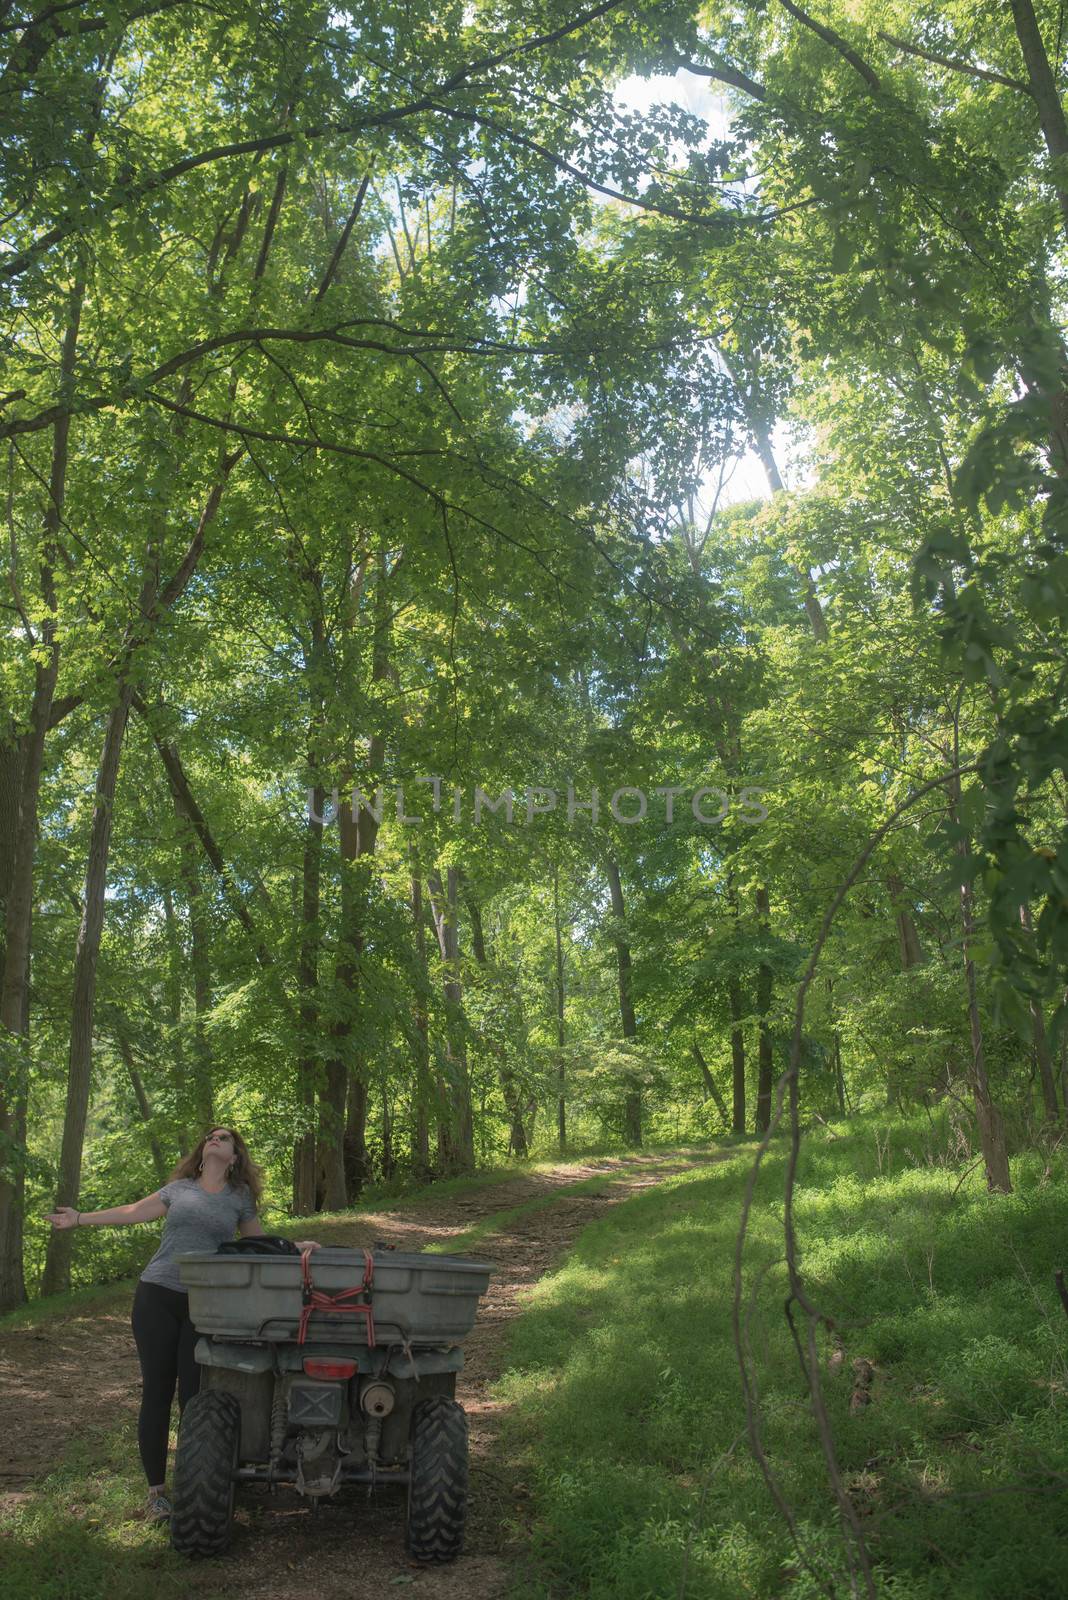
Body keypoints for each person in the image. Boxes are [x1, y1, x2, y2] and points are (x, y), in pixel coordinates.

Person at [46, 1126, 318, 1522]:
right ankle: (156, 1494)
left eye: (224, 1138)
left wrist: (295, 1248)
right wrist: (80, 1218)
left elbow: (258, 1246)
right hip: (156, 1294)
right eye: (211, 1136)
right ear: (203, 1150)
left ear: (235, 1156)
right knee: (157, 1391)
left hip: (202, 1304)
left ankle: (195, 1482)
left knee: (194, 1396)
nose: (215, 1138)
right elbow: (133, 1212)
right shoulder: (179, 1190)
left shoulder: (239, 1197)